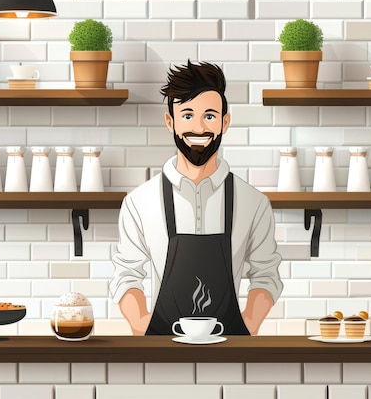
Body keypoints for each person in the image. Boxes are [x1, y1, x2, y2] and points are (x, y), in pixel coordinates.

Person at [109, 60, 283, 336]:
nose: (199, 128)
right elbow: (127, 275)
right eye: (187, 115)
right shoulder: (139, 202)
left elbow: (266, 275)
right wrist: (141, 324)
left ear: (225, 122)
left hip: (231, 350)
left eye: (210, 116)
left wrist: (249, 323)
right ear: (170, 122)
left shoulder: (253, 203)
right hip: (161, 351)